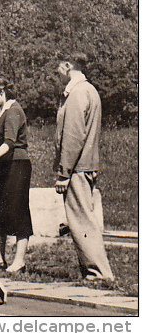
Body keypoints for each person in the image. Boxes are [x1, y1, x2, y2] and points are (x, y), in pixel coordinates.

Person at [54, 53, 114, 282]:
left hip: (77, 167)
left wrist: (64, 173)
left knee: (81, 221)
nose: (56, 72)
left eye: (58, 66)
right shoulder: (89, 90)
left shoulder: (77, 93)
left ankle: (98, 272)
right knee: (83, 219)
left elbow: (72, 135)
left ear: (68, 66)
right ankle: (95, 271)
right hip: (85, 164)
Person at [0, 78, 33, 274]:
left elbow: (9, 143)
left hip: (17, 165)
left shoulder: (13, 111)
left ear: (2, 92)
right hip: (6, 165)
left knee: (18, 211)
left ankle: (19, 260)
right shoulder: (2, 110)